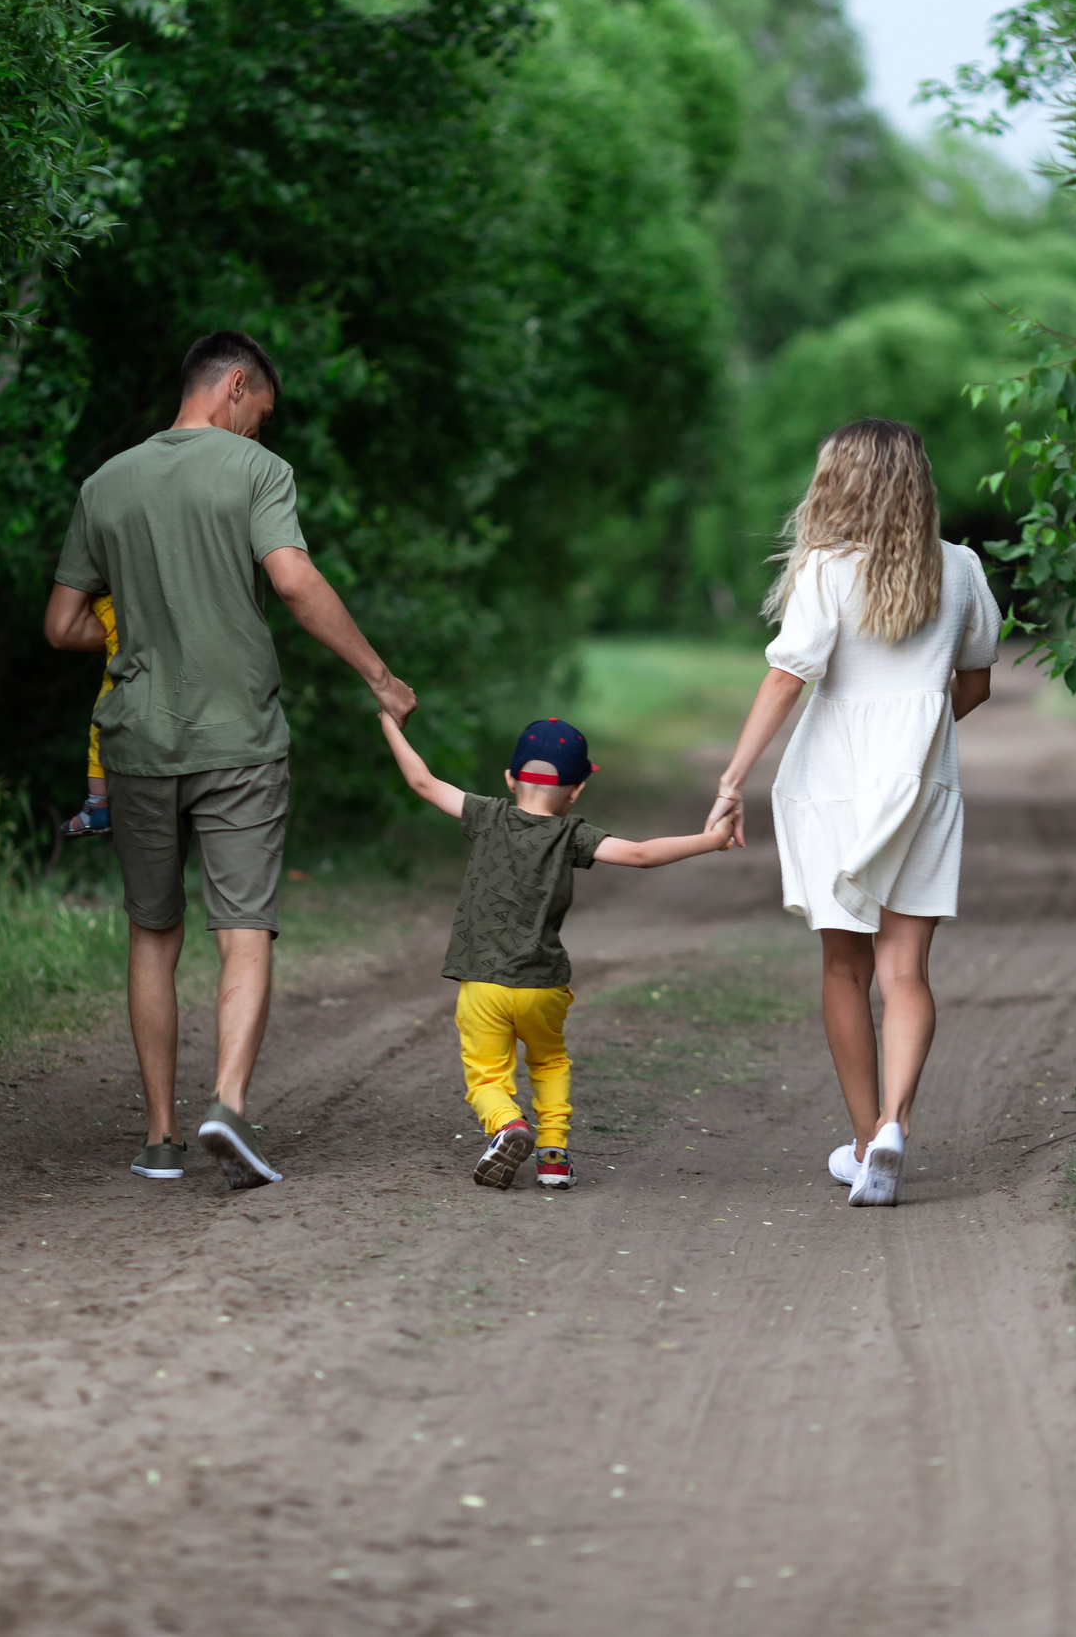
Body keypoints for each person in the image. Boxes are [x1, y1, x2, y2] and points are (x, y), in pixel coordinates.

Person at [45, 330, 417, 1189]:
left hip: (137, 740)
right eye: (262, 415)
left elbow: (62, 625)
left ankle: (159, 1136)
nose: (260, 432)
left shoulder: (107, 484)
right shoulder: (257, 474)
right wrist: (380, 676)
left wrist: (132, 618)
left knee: (153, 929)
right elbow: (291, 580)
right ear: (236, 385)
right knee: (242, 926)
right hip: (240, 739)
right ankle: (229, 1102)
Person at [710, 418, 999, 1208]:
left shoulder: (826, 570)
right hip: (921, 788)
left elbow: (786, 677)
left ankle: (866, 1134)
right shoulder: (963, 570)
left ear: (838, 482)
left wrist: (734, 777)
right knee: (905, 970)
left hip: (833, 785)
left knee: (845, 965)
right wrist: (916, 745)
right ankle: (897, 1124)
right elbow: (973, 685)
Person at [380, 714, 736, 1190]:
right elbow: (642, 854)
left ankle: (507, 1125)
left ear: (510, 777)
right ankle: (552, 1155)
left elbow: (422, 781)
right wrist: (712, 840)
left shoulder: (487, 814)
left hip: (483, 982)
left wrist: (389, 723)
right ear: (577, 790)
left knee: (487, 1075)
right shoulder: (573, 835)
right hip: (542, 986)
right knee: (548, 1062)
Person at [60, 594, 119, 837]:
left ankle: (98, 803)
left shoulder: (109, 604)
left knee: (100, 730)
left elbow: (61, 629)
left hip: (127, 679)